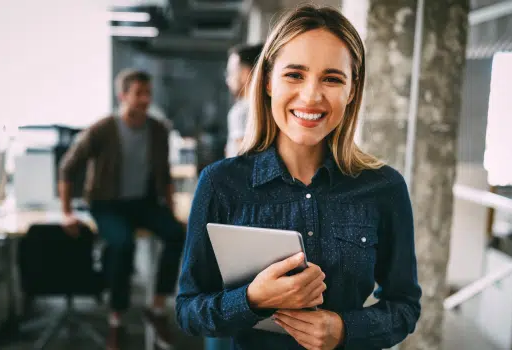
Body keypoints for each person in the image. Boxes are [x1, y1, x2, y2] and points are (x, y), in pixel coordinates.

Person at [176, 5, 421, 350]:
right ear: (267, 83)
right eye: (294, 75)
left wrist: (344, 329)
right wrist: (250, 299)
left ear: (352, 90)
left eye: (332, 78)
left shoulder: (384, 188)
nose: (311, 96)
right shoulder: (220, 183)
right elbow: (188, 310)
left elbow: (405, 307)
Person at [59, 69, 184, 350]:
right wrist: (67, 211)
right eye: (139, 93)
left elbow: (164, 175)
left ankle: (157, 308)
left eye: (148, 93)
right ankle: (117, 319)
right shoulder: (103, 129)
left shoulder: (157, 130)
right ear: (122, 96)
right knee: (122, 243)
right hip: (107, 204)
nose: (145, 100)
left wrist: (171, 209)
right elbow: (68, 167)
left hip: (144, 202)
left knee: (177, 234)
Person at [224, 43, 264, 158]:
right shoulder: (267, 106)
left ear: (246, 73)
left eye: (231, 72)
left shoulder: (240, 111)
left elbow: (242, 158)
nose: (228, 79)